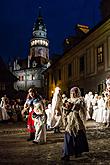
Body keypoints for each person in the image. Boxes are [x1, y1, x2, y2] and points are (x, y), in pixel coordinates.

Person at [61, 87, 89, 161]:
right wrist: (65, 108)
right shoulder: (68, 100)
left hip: (77, 121)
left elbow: (79, 108)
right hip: (70, 121)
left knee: (78, 137)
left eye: (75, 92)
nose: (73, 94)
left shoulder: (80, 100)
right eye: (71, 93)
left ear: (77, 93)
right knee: (68, 137)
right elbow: (65, 112)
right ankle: (66, 154)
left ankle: (78, 152)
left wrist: (70, 106)